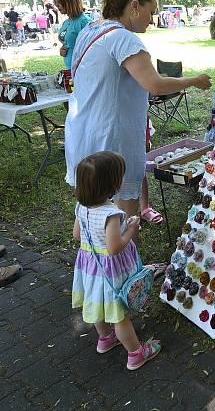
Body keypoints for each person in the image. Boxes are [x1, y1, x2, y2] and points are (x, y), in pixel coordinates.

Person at [64, 0, 211, 226]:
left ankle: (92, 261)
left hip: (84, 132)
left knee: (90, 210)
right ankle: (125, 262)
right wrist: (194, 80)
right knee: (124, 215)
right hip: (112, 137)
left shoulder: (91, 30)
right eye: (150, 12)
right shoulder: (123, 38)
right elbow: (154, 84)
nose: (151, 19)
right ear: (134, 6)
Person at [71, 151, 161, 370]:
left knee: (98, 305)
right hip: (112, 270)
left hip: (91, 267)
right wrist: (131, 229)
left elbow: (76, 235)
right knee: (119, 314)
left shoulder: (81, 207)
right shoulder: (111, 214)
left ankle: (105, 339)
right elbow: (114, 248)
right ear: (111, 183)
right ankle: (136, 353)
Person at [55, 0, 92, 69]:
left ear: (69, 2)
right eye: (56, 2)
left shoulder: (84, 22)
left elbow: (92, 48)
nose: (57, 5)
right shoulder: (66, 22)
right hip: (70, 68)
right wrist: (62, 50)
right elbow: (68, 42)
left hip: (82, 68)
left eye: (59, 2)